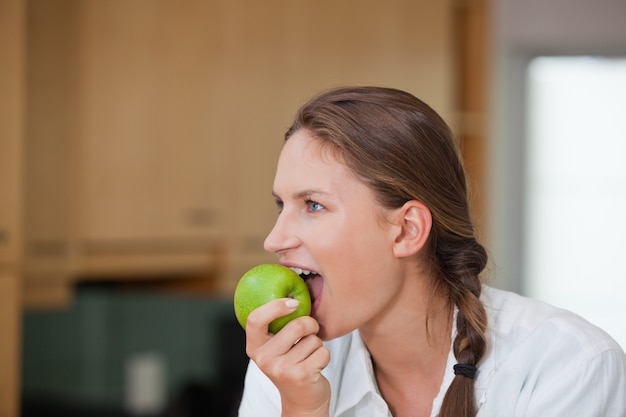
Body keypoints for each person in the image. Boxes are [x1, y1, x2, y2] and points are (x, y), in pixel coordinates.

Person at [237, 86, 626, 417]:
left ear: (407, 230)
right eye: (281, 205)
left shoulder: (567, 366)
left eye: (313, 205)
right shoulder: (285, 371)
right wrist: (301, 410)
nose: (275, 239)